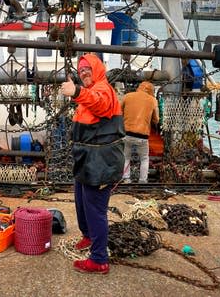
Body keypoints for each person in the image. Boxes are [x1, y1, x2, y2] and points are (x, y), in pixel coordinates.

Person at [60, 53, 125, 275]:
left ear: (97, 69)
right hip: (88, 162)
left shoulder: (103, 89)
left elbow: (99, 103)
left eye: (87, 69)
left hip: (101, 164)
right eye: (81, 71)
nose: (84, 73)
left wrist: (76, 92)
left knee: (95, 210)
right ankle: (88, 236)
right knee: (81, 201)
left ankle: (99, 259)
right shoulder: (90, 92)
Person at [121, 81, 160, 183]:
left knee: (126, 157)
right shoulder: (152, 100)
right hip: (142, 136)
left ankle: (126, 179)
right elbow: (156, 120)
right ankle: (143, 180)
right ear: (151, 91)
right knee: (144, 158)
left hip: (127, 134)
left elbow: (119, 113)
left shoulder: (127, 96)